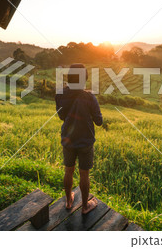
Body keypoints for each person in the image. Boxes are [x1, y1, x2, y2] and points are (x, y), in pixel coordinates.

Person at [55, 63, 103, 214]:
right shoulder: (89, 97)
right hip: (86, 141)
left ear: (69, 77)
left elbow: (61, 116)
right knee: (84, 174)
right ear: (85, 79)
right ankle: (85, 206)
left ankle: (69, 201)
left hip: (68, 139)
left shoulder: (60, 93)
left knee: (68, 171)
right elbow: (99, 122)